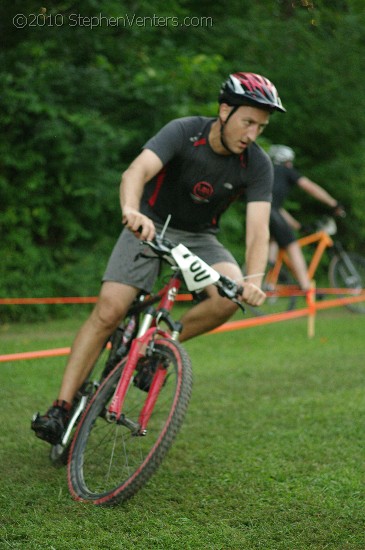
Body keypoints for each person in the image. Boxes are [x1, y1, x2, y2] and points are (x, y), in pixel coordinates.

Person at [31, 72, 286, 445]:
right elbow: (137, 171)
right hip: (149, 224)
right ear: (225, 110)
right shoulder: (184, 131)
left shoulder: (258, 163)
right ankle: (61, 407)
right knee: (109, 310)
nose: (252, 134)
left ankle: (156, 348)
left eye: (260, 127)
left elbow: (258, 229)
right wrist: (131, 210)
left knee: (227, 298)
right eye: (247, 122)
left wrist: (254, 279)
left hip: (200, 238)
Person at [267, 145, 345, 290]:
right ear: (286, 161)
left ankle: (269, 275)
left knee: (274, 240)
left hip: (261, 211)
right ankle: (306, 285)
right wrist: (333, 204)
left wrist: (298, 226)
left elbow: (277, 208)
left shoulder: (269, 173)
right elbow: (310, 187)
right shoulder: (286, 171)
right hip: (271, 212)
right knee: (292, 244)